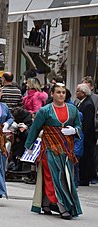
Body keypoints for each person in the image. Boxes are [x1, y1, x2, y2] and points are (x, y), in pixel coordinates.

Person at [24, 83, 82, 220]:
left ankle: (46, 204)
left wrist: (74, 130)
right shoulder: (45, 111)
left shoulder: (73, 110)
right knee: (53, 177)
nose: (61, 94)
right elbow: (35, 128)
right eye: (58, 92)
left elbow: (79, 125)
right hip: (49, 148)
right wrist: (29, 146)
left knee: (65, 177)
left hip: (67, 150)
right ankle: (63, 207)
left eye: (63, 92)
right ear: (52, 94)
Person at [74, 83, 96, 186]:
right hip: (81, 135)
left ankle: (85, 178)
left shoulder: (88, 105)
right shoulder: (80, 103)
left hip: (86, 137)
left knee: (86, 157)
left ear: (83, 93)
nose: (76, 93)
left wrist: (82, 134)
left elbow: (87, 123)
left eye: (78, 91)